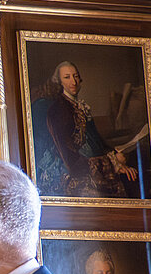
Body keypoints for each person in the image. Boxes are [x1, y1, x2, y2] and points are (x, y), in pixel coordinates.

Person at [36, 61, 136, 198]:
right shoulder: (58, 109)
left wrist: (116, 160)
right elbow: (68, 156)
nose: (73, 81)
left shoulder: (80, 106)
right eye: (67, 77)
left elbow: (97, 141)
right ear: (59, 82)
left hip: (92, 164)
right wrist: (110, 164)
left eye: (75, 76)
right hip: (74, 170)